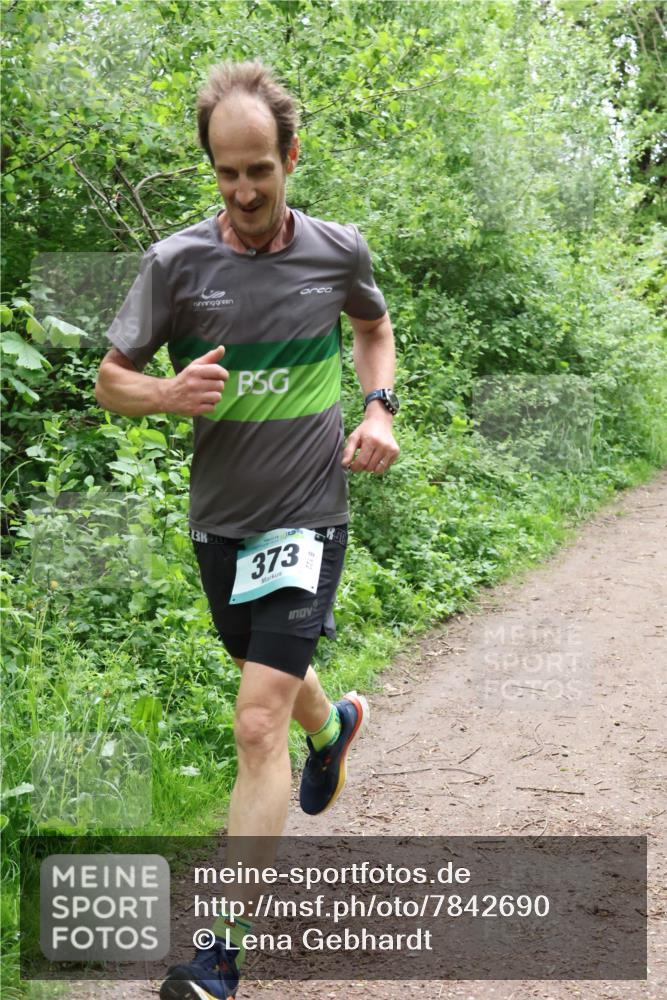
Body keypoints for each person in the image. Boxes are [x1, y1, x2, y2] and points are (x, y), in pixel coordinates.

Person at [95, 60, 399, 999]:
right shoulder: (176, 265)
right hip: (221, 523)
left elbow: (374, 326)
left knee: (255, 720)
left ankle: (218, 951)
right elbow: (111, 381)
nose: (243, 191)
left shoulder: (334, 251)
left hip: (310, 512)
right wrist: (165, 392)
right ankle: (335, 723)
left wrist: (377, 407)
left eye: (259, 169)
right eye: (226, 173)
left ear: (290, 157)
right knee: (274, 685)